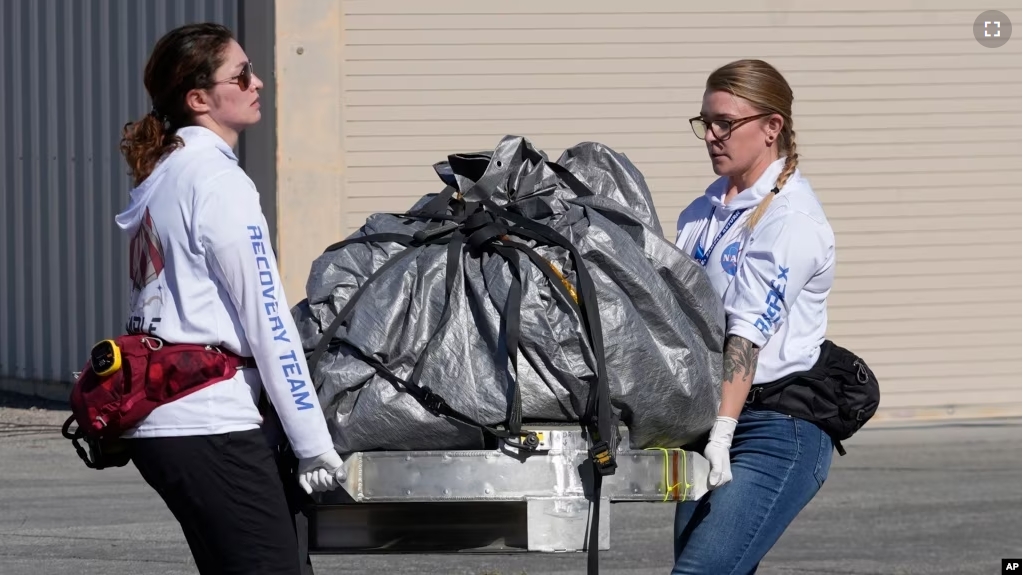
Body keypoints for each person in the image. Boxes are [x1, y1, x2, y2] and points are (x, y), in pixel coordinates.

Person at [116, 23, 342, 575]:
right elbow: (267, 318)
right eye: (241, 75)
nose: (257, 82)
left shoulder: (166, 173)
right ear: (199, 99)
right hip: (209, 424)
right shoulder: (218, 182)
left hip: (167, 422)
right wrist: (312, 441)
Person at [671, 59, 837, 574]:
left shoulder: (792, 220)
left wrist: (722, 434)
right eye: (706, 122)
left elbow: (747, 334)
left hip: (774, 428)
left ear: (771, 128)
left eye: (726, 122)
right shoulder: (702, 210)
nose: (712, 135)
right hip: (709, 418)